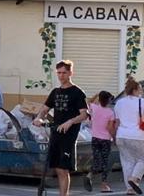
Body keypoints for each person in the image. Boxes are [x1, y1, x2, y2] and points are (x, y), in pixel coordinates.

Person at [32, 60, 88, 196]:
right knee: (57, 168)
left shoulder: (77, 92)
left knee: (64, 169)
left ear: (70, 73)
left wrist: (70, 122)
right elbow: (44, 109)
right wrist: (39, 118)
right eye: (59, 73)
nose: (61, 76)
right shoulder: (55, 92)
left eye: (64, 73)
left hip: (69, 135)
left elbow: (84, 114)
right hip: (55, 133)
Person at [114, 78, 144, 195]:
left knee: (127, 162)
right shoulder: (141, 102)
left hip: (121, 135)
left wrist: (115, 136)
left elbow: (117, 122)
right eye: (140, 89)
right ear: (135, 90)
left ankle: (130, 189)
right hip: (137, 135)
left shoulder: (119, 103)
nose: (141, 91)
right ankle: (134, 179)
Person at [84, 91, 116, 193]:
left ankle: (89, 175)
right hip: (105, 140)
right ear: (108, 101)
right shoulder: (110, 112)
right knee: (105, 162)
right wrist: (114, 137)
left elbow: (88, 102)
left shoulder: (94, 107)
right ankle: (104, 185)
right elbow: (110, 127)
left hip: (95, 138)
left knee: (97, 160)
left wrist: (96, 95)